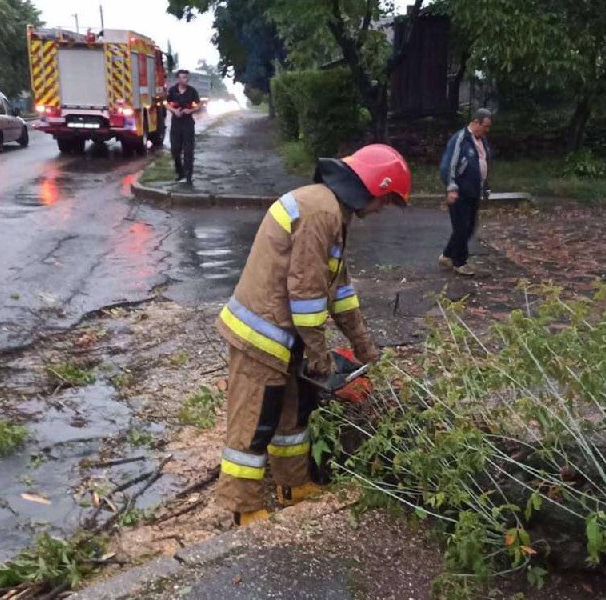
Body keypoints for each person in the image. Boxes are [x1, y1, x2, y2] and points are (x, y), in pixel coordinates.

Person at [214, 144, 411, 526]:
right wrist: (318, 352)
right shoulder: (320, 212)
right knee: (252, 424)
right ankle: (243, 508)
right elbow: (305, 293)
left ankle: (293, 485)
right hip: (261, 336)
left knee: (292, 416)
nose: (382, 209)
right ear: (373, 186)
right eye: (385, 200)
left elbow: (340, 291)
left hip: (284, 338)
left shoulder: (334, 214)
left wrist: (366, 350)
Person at [439, 108, 492, 276]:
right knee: (462, 227)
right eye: (485, 126)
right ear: (475, 122)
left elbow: (483, 163)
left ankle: (447, 255)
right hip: (460, 191)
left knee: (469, 227)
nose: (486, 130)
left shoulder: (481, 141)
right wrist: (452, 188)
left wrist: (485, 186)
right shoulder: (460, 139)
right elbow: (450, 165)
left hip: (474, 191)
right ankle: (460, 262)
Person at [166, 69, 200, 184]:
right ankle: (180, 172)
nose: (186, 79)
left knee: (188, 150)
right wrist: (174, 110)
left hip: (187, 124)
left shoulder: (192, 91)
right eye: (183, 77)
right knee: (175, 150)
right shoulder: (172, 91)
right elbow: (166, 104)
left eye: (186, 77)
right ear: (178, 79)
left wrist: (190, 110)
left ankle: (188, 175)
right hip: (176, 123)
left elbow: (198, 105)